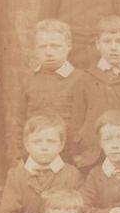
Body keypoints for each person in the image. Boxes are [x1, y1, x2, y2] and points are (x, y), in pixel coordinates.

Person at [71, 16, 120, 169]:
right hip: (92, 153)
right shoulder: (85, 78)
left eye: (119, 41)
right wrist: (76, 152)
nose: (113, 47)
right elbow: (76, 120)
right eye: (107, 41)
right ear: (98, 44)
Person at [11, 20, 81, 164]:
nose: (49, 52)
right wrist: (19, 155)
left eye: (55, 46)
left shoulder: (81, 79)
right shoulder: (29, 80)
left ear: (68, 46)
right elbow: (20, 121)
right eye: (42, 47)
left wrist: (79, 156)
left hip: (70, 157)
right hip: (35, 156)